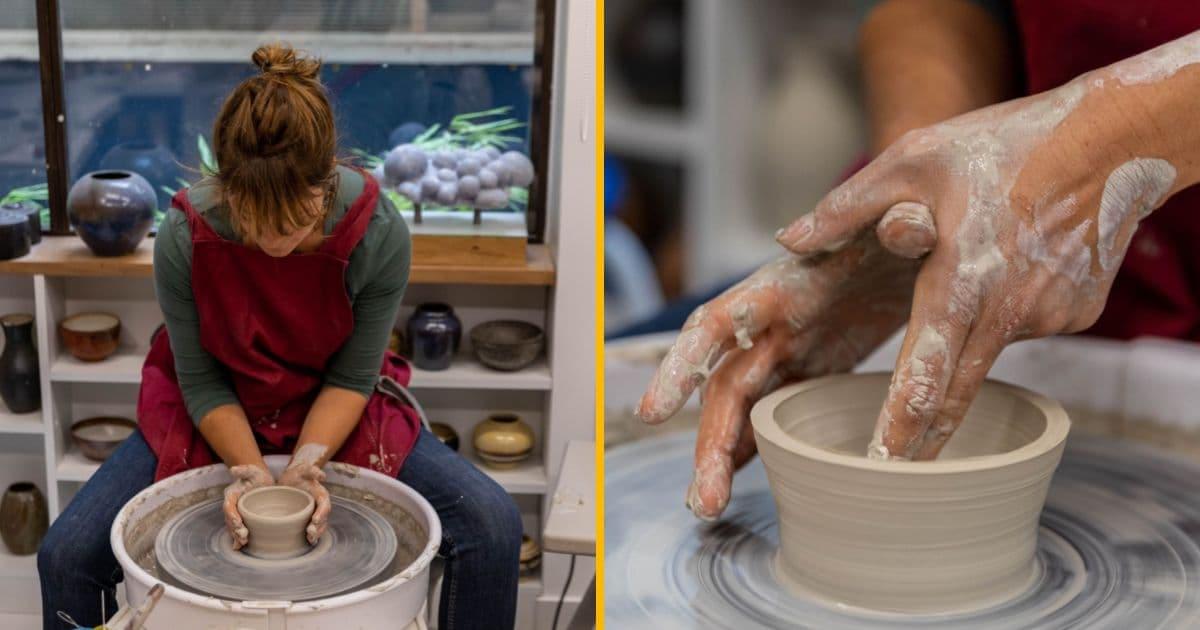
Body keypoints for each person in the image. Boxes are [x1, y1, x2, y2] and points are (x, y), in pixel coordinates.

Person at [639, 0, 1200, 520]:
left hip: (1126, 231)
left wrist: (1102, 151)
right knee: (674, 361)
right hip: (1011, 205)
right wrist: (931, 197)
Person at [38, 43, 522, 629]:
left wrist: (302, 468)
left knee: (493, 524)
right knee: (64, 557)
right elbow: (199, 377)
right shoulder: (184, 236)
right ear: (226, 190)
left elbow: (352, 376)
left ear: (326, 186)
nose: (273, 242)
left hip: (334, 405)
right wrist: (248, 470)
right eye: (253, 222)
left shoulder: (378, 232)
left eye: (292, 223)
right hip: (214, 406)